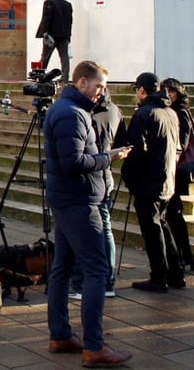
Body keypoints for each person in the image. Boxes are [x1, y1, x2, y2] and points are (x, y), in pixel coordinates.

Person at [43, 60, 133, 368]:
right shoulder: (72, 114)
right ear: (82, 82)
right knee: (96, 270)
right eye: (99, 87)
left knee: (62, 267)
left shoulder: (67, 109)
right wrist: (109, 157)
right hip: (79, 201)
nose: (101, 93)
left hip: (68, 198)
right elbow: (74, 162)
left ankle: (61, 335)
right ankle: (94, 346)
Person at [119, 71, 183, 292]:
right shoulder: (171, 112)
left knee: (153, 230)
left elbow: (136, 150)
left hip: (149, 181)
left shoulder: (144, 114)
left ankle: (159, 276)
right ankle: (176, 273)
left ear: (142, 90)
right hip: (167, 179)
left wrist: (128, 176)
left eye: (137, 89)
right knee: (162, 225)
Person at [70, 86, 123, 299]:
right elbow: (122, 142)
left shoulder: (86, 113)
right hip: (107, 174)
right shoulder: (115, 111)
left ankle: (84, 281)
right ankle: (108, 282)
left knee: (86, 231)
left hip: (93, 175)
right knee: (106, 229)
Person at [162, 77, 194, 272]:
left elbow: (181, 144)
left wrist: (172, 157)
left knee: (175, 213)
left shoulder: (181, 112)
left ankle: (186, 254)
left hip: (175, 170)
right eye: (165, 91)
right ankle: (185, 254)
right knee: (174, 214)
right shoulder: (170, 111)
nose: (168, 95)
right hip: (171, 170)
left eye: (171, 91)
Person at [35, 0, 72, 81]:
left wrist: (44, 33)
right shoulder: (67, 5)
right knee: (64, 57)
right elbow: (70, 22)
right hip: (64, 35)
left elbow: (47, 18)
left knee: (45, 56)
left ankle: (40, 76)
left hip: (51, 35)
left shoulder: (49, 2)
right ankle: (65, 77)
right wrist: (68, 36)